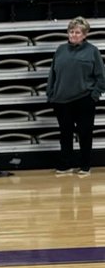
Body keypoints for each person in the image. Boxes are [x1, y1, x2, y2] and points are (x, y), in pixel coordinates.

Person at [46, 16, 105, 176]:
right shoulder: (60, 50)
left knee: (85, 134)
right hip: (61, 100)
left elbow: (101, 77)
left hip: (84, 99)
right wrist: (50, 94)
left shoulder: (92, 51)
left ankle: (85, 165)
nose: (73, 35)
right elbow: (53, 74)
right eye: (71, 32)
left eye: (77, 32)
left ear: (85, 34)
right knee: (65, 134)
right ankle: (66, 164)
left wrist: (94, 95)